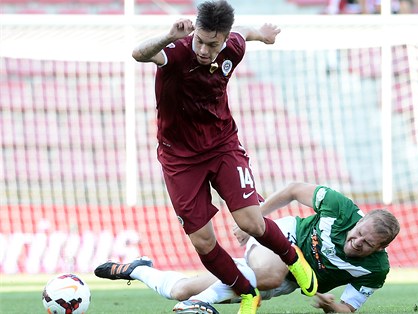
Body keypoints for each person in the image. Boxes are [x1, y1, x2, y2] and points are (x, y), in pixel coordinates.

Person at [125, 1, 315, 313]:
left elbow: (243, 33)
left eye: (212, 44)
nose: (203, 49)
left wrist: (262, 35)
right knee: (202, 242)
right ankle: (246, 293)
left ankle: (293, 259)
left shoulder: (234, 48)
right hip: (179, 159)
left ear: (224, 40)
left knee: (251, 223)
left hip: (222, 146)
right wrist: (168, 35)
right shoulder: (176, 51)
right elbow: (138, 53)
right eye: (199, 40)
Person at [95, 182, 400, 313]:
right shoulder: (341, 208)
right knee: (268, 273)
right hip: (284, 239)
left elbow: (348, 308)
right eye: (358, 233)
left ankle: (139, 270)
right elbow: (293, 190)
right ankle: (194, 307)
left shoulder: (375, 270)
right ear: (360, 220)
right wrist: (255, 219)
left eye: (366, 244)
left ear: (379, 249)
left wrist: (331, 305)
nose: (355, 242)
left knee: (181, 289)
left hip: (290, 281)